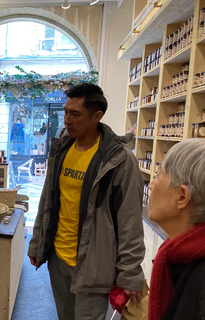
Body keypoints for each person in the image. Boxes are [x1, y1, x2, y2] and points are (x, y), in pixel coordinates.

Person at [28, 83, 145, 320]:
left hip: (95, 266)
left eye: (75, 114)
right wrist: (38, 240)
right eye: (66, 112)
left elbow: (130, 221)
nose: (67, 120)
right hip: (58, 259)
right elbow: (48, 200)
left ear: (97, 116)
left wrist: (130, 273)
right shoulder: (62, 148)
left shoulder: (119, 160)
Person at [148, 139, 205, 320]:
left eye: (157, 176)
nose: (150, 184)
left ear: (182, 197)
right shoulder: (183, 258)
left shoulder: (199, 279)